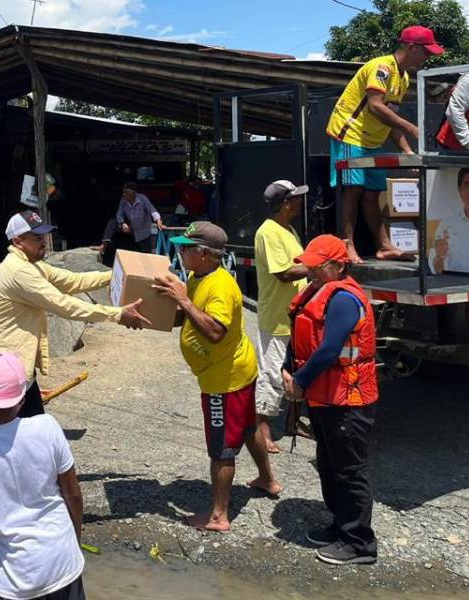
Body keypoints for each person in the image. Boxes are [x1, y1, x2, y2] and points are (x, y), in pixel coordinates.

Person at [0, 209, 151, 559]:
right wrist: (117, 314)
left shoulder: (33, 267)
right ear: (17, 241)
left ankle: (20, 503)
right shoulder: (14, 272)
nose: (44, 242)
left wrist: (116, 275)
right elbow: (62, 304)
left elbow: (70, 282)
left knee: (29, 433)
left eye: (44, 235)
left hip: (18, 373)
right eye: (37, 237)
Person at [152, 222, 281, 531]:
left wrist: (182, 299)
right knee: (249, 428)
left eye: (185, 247)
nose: (180, 251)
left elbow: (213, 331)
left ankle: (218, 516)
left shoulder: (220, 286)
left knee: (221, 448)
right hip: (238, 368)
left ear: (205, 253)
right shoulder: (199, 276)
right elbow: (193, 317)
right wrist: (158, 314)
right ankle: (267, 480)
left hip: (225, 380)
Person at [0, 353, 86, 600]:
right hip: (63, 564)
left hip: (15, 580)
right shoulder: (47, 427)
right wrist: (73, 539)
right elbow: (73, 494)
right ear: (22, 397)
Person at [282, 235, 379, 565]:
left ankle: (359, 544)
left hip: (348, 400)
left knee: (349, 470)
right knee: (329, 464)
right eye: (308, 265)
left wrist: (298, 381)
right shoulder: (319, 291)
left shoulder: (343, 300)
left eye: (318, 266)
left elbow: (329, 349)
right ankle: (340, 525)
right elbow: (300, 336)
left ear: (339, 265)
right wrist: (288, 370)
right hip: (326, 398)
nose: (310, 271)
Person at [327, 25, 441, 263]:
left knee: (373, 194)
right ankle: (345, 245)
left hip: (372, 139)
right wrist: (411, 128)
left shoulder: (404, 76)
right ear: (411, 46)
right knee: (353, 190)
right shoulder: (382, 68)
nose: (428, 57)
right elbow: (375, 105)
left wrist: (406, 150)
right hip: (350, 134)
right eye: (426, 51)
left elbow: (389, 117)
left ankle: (385, 246)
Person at [253, 180, 309, 453]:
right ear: (286, 203)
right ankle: (262, 429)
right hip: (276, 317)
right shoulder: (268, 232)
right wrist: (318, 265)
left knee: (297, 369)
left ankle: (292, 421)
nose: (300, 201)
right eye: (296, 198)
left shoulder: (288, 230)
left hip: (295, 316)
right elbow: (284, 273)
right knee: (272, 373)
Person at [115, 182, 164, 253]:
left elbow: (152, 210)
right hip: (132, 231)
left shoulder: (142, 198)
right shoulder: (123, 200)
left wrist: (158, 220)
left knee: (148, 252)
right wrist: (122, 223)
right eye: (123, 192)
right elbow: (119, 214)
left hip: (145, 231)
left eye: (126, 192)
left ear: (133, 193)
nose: (124, 194)